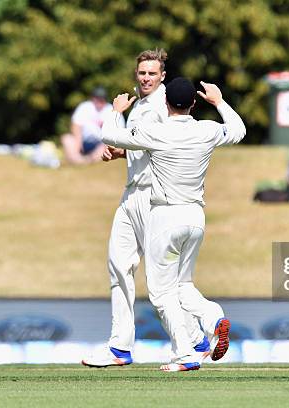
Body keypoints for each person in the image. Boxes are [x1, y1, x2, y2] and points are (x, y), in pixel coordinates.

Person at [101, 78, 245, 371]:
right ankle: (214, 319)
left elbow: (109, 135)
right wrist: (218, 102)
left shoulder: (158, 131)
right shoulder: (207, 129)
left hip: (166, 218)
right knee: (182, 285)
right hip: (196, 218)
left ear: (166, 103)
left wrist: (116, 111)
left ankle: (185, 354)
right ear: (194, 103)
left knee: (160, 292)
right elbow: (239, 130)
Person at [81, 50, 209, 368]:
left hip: (154, 198)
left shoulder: (165, 106)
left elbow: (172, 145)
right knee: (118, 265)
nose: (146, 78)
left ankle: (195, 340)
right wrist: (122, 155)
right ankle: (120, 348)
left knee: (159, 281)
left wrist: (115, 113)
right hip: (130, 194)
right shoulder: (139, 105)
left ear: (162, 76)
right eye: (142, 73)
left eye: (152, 73)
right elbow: (145, 147)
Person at [60, 86, 115, 165]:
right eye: (97, 99)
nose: (99, 102)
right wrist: (78, 141)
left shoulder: (111, 109)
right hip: (83, 142)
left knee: (107, 145)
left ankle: (90, 160)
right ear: (93, 98)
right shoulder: (85, 107)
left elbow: (116, 131)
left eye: (101, 99)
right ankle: (78, 160)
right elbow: (76, 125)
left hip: (101, 143)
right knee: (66, 139)